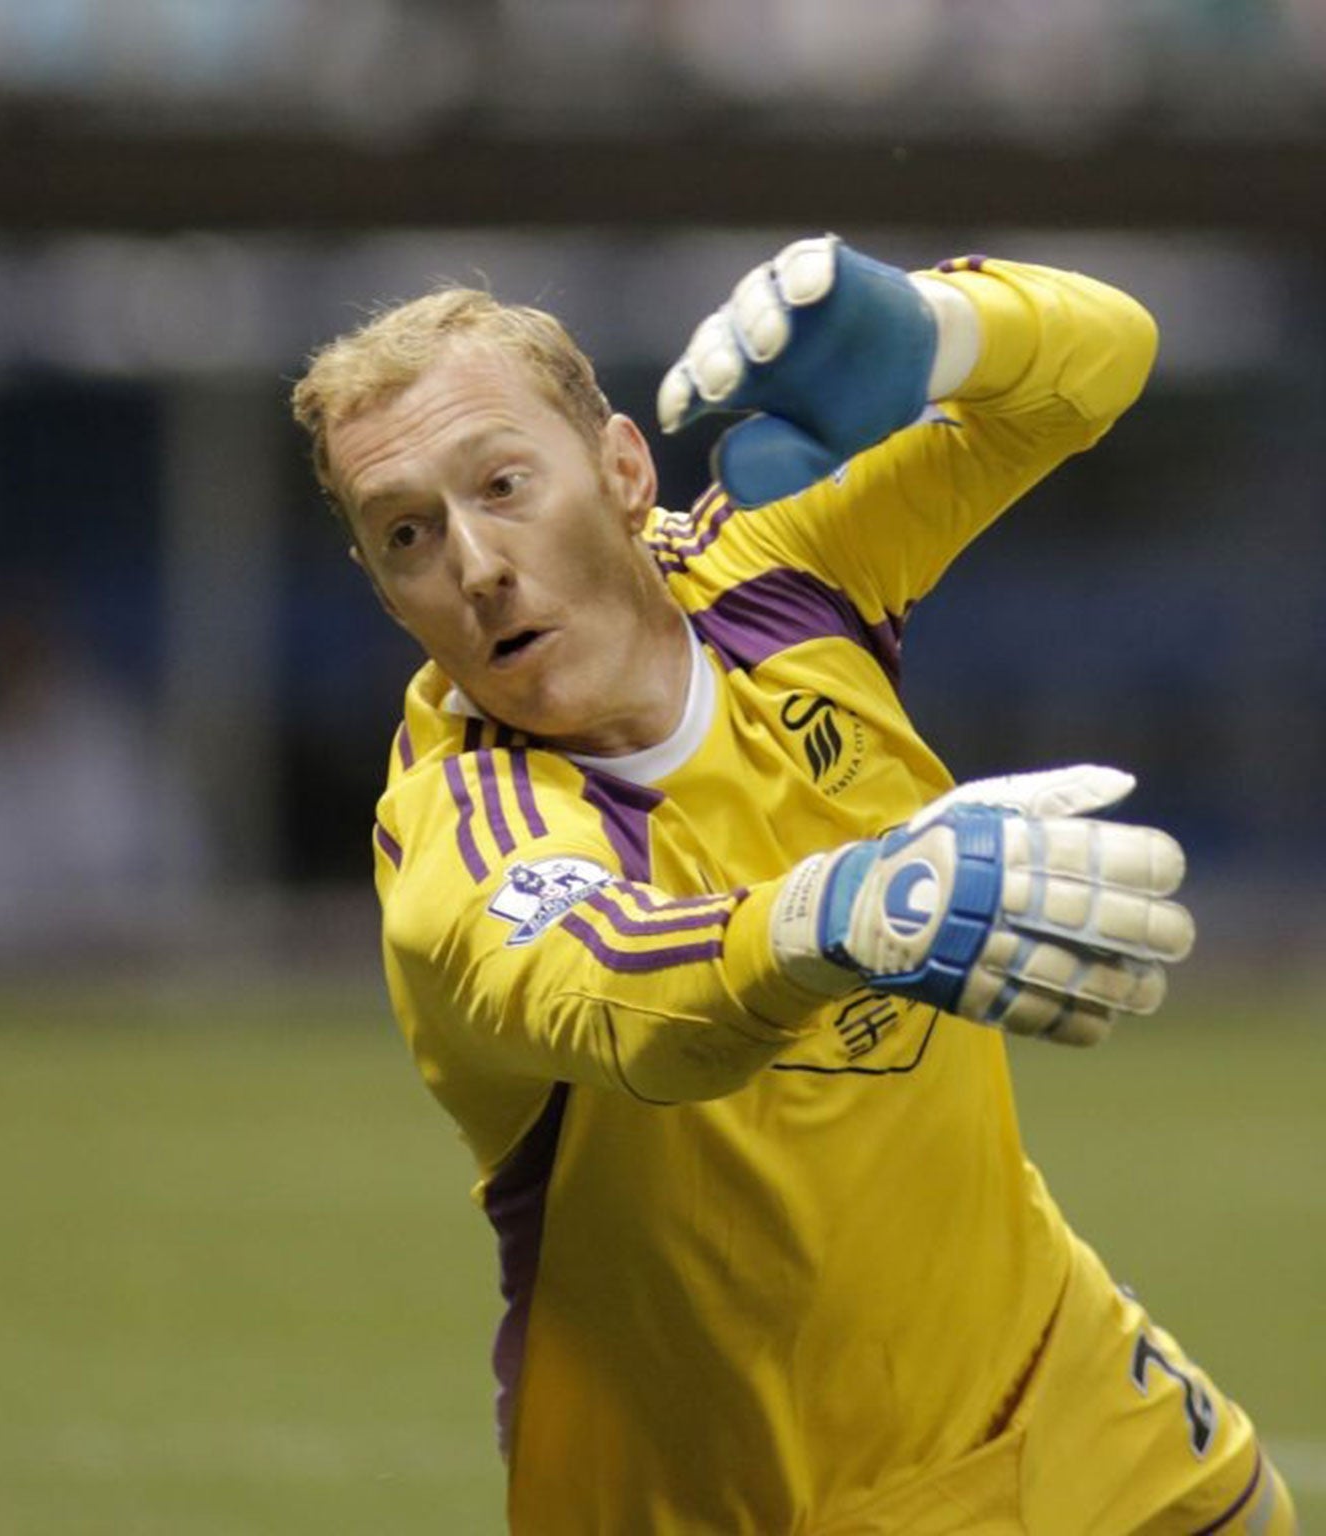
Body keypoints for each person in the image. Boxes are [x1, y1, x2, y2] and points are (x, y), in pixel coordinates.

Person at [290, 237, 1296, 1534]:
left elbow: (1099, 365)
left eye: (503, 483)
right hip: (758, 1499)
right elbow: (610, 993)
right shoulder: (461, 828)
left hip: (1060, 1391)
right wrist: (841, 913)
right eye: (409, 535)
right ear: (385, 590)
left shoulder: (781, 570)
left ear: (620, 469)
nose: (475, 563)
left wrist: (940, 331)